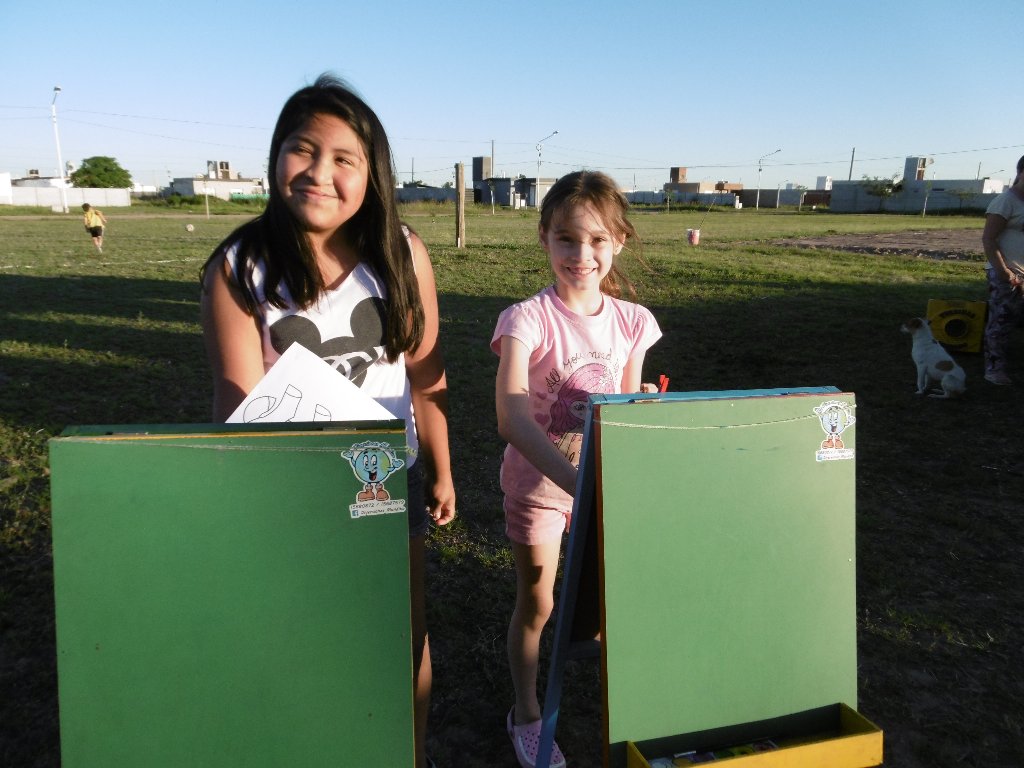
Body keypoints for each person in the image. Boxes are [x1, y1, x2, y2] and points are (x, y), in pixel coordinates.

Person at [199, 74, 455, 768]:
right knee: (299, 637)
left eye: (345, 158)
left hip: (383, 479)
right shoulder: (240, 265)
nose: (319, 172)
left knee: (400, 635)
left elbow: (426, 375)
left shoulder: (401, 253)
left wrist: (442, 466)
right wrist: (272, 497)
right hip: (288, 492)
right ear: (275, 157)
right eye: (302, 150)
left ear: (372, 176)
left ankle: (411, 752)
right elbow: (236, 398)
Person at [491, 170, 662, 768]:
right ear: (544, 238)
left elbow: (624, 405)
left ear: (617, 242)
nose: (581, 255)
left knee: (613, 603)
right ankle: (527, 711)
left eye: (596, 241)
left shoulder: (633, 322)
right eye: (566, 239)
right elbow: (512, 417)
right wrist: (577, 485)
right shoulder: (525, 320)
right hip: (542, 489)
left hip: (603, 493)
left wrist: (646, 415)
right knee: (537, 604)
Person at [981, 154, 1024, 385]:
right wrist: (1004, 272)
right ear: (1020, 173)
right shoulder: (1005, 202)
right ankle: (994, 369)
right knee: (1001, 322)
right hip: (1008, 273)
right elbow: (989, 239)